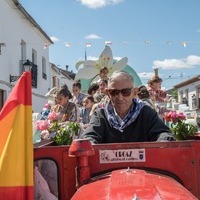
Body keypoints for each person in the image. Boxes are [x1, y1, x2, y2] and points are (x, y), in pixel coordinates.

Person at [81, 71, 175, 144]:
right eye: (114, 92)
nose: (120, 97)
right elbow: (89, 137)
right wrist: (90, 144)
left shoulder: (146, 112)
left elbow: (163, 134)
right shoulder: (100, 115)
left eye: (126, 92)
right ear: (108, 94)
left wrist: (163, 142)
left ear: (134, 93)